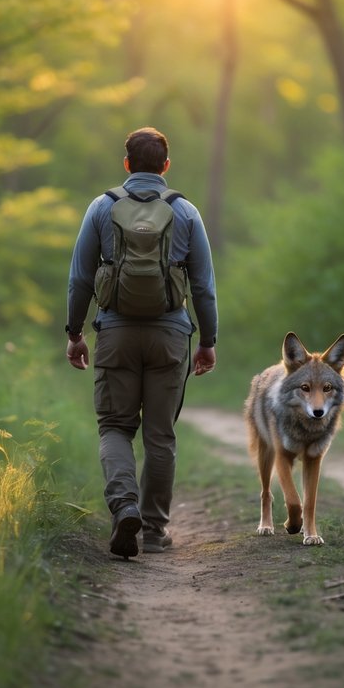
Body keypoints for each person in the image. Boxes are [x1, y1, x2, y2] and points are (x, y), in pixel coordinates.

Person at [65, 127, 218, 559]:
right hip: (171, 335)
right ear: (166, 166)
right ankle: (152, 531)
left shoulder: (101, 207)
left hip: (115, 333)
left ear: (127, 163)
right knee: (160, 435)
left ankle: (124, 506)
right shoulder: (186, 212)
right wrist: (208, 340)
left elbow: (79, 279)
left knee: (115, 427)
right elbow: (203, 287)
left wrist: (75, 333)